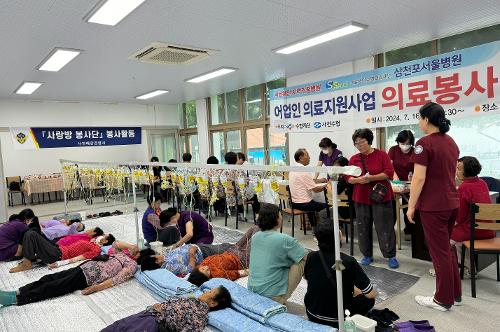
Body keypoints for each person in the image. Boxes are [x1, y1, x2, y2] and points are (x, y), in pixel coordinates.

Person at [407, 102, 461, 311]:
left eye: (420, 118)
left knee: (439, 254)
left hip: (433, 206)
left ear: (426, 120)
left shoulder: (424, 143)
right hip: (450, 202)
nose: (419, 122)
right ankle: (454, 293)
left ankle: (442, 299)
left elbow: (419, 178)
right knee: (448, 250)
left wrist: (411, 206)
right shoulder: (451, 142)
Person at [0, 252, 137, 307]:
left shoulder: (132, 265)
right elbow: (116, 244)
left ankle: (17, 299)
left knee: (54, 286)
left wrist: (96, 288)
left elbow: (116, 280)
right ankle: (16, 292)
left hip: (88, 277)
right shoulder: (123, 253)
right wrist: (131, 248)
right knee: (49, 278)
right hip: (84, 266)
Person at [304, 223, 376, 328]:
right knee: (369, 299)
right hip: (338, 319)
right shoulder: (348, 261)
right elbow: (370, 294)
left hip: (312, 314)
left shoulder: (311, 256)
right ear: (339, 236)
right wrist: (358, 292)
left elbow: (309, 278)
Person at [347, 128, 398, 268]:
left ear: (369, 141)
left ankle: (390, 256)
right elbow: (347, 176)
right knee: (363, 228)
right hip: (360, 198)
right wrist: (355, 180)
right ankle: (367, 255)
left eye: (362, 141)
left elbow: (389, 173)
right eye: (356, 143)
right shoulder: (354, 159)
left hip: (380, 197)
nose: (359, 145)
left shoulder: (381, 155)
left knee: (385, 227)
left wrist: (370, 178)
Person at [248, 203, 307, 304]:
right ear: (276, 219)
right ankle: (282, 297)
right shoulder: (285, 240)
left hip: (252, 290)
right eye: (280, 214)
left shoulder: (255, 236)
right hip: (272, 296)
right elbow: (304, 256)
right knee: (301, 260)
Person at [100, 287, 232, 332]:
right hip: (147, 314)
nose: (206, 291)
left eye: (210, 292)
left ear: (213, 303)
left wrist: (163, 314)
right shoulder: (193, 300)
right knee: (117, 327)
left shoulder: (200, 316)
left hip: (155, 324)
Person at [452, 156, 496, 277]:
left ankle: (462, 269)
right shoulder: (482, 183)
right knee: (459, 235)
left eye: (458, 168)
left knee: (447, 237)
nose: (456, 171)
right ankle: (469, 268)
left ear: (467, 171)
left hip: (474, 231)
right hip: (489, 230)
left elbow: (459, 218)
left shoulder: (463, 188)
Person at [9, 230, 115, 273]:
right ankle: (29, 258)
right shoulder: (91, 242)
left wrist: (61, 263)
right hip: (58, 249)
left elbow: (81, 258)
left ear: (105, 241)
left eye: (104, 236)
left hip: (59, 255)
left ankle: (27, 262)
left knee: (31, 234)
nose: (101, 236)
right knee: (31, 233)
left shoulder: (96, 249)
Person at [289, 148, 329, 227]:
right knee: (327, 207)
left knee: (312, 203)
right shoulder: (303, 171)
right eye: (307, 155)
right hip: (304, 204)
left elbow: (308, 181)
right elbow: (315, 190)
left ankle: (315, 229)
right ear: (300, 158)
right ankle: (322, 230)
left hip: (294, 203)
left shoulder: (293, 170)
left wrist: (320, 180)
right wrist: (327, 185)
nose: (309, 157)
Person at [139, 244, 204, 276]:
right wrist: (191, 254)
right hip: (201, 252)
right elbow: (190, 269)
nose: (158, 254)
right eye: (156, 255)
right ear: (157, 261)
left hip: (195, 247)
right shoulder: (171, 267)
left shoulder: (165, 261)